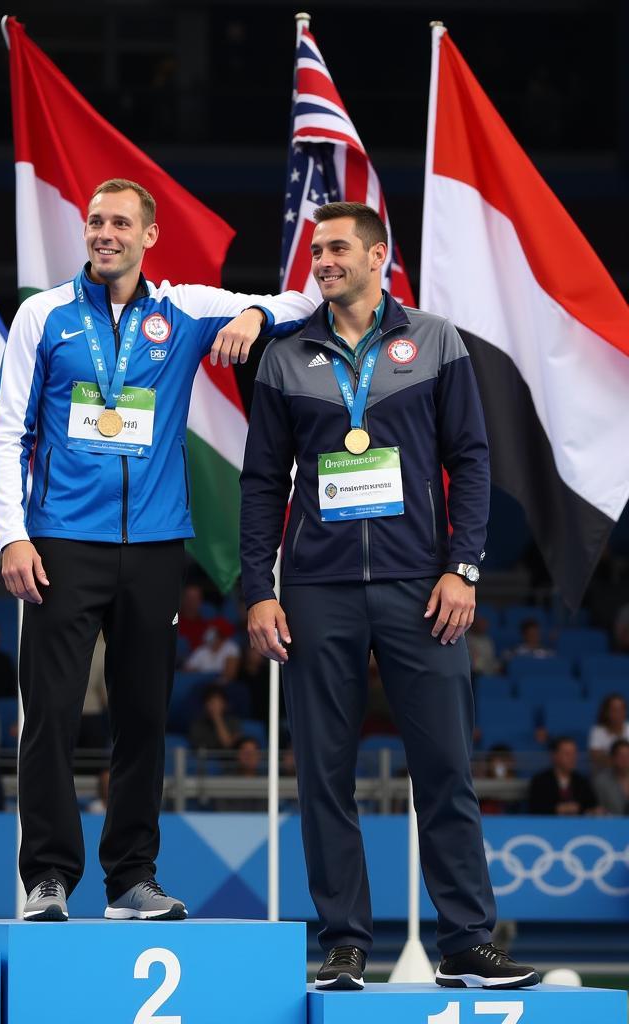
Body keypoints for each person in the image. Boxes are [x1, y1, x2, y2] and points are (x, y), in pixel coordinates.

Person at [0, 177, 315, 922]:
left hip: (155, 548)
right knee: (51, 714)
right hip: (60, 542)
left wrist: (258, 313)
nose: (104, 233)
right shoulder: (43, 315)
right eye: (95, 222)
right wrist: (13, 533)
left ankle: (131, 879)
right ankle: (46, 877)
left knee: (141, 718)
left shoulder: (186, 308)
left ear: (149, 236)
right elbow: (9, 431)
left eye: (119, 223)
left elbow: (302, 303)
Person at [239, 202, 538, 990]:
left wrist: (462, 568)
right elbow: (263, 483)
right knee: (324, 776)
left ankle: (467, 941)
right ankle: (343, 942)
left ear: (379, 257)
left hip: (421, 588)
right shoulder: (284, 355)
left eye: (337, 247)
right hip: (315, 590)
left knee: (444, 767)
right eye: (316, 248)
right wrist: (257, 591)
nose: (322, 259)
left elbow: (471, 461)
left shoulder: (434, 341)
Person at [528, 737, 599, 815]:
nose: (572, 758)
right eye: (567, 754)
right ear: (554, 756)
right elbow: (535, 809)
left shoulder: (582, 781)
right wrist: (556, 809)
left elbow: (592, 806)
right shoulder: (540, 781)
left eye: (574, 753)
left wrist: (582, 809)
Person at [188, 684, 242, 754]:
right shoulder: (197, 724)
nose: (214, 706)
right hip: (205, 761)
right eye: (211, 702)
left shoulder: (234, 721)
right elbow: (199, 750)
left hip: (229, 761)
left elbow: (229, 746)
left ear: (225, 704)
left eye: (218, 702)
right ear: (205, 705)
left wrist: (218, 719)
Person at [587, 693, 629, 771]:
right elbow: (595, 757)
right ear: (607, 712)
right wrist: (621, 761)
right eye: (614, 710)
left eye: (621, 709)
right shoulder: (597, 731)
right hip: (605, 774)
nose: (618, 714)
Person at [593, 738, 629, 815]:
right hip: (611, 824)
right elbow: (597, 808)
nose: (625, 759)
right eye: (621, 756)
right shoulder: (601, 781)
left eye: (628, 755)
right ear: (613, 758)